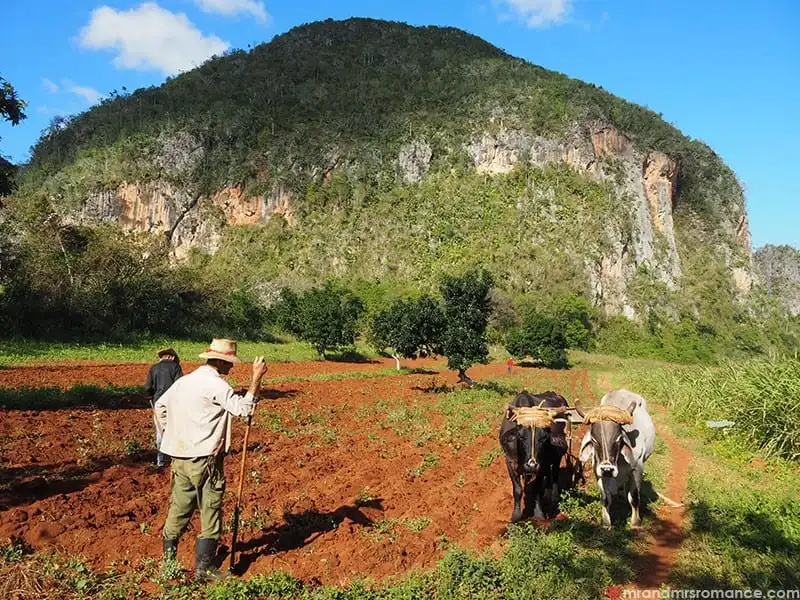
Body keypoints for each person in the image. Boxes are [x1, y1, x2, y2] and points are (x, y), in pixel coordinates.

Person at [154, 338, 268, 581]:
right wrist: (256, 377)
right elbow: (244, 409)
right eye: (229, 362)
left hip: (180, 458)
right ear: (219, 361)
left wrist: (172, 433)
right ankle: (204, 570)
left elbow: (160, 406)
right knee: (210, 509)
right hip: (205, 460)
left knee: (179, 508)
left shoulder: (183, 382)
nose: (231, 367)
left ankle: (169, 565)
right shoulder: (216, 385)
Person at [145, 348, 183, 468]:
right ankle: (176, 460)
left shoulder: (153, 368)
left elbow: (147, 387)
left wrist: (150, 396)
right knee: (176, 430)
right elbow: (180, 385)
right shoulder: (176, 368)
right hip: (173, 403)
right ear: (171, 357)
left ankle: (160, 462)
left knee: (160, 432)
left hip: (158, 403)